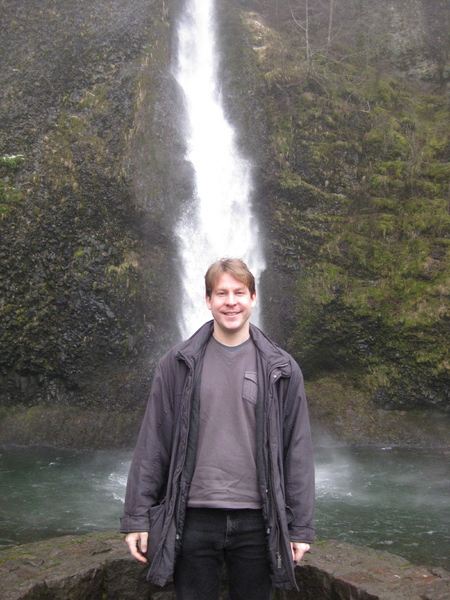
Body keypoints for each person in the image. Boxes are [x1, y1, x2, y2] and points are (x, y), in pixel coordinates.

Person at [120, 258, 315, 599]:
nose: (231, 302)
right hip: (192, 518)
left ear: (253, 297)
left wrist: (299, 527)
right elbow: (154, 441)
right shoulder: (176, 363)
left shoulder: (282, 368)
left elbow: (296, 448)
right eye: (221, 293)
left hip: (259, 519)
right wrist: (137, 518)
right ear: (208, 300)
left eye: (239, 292)